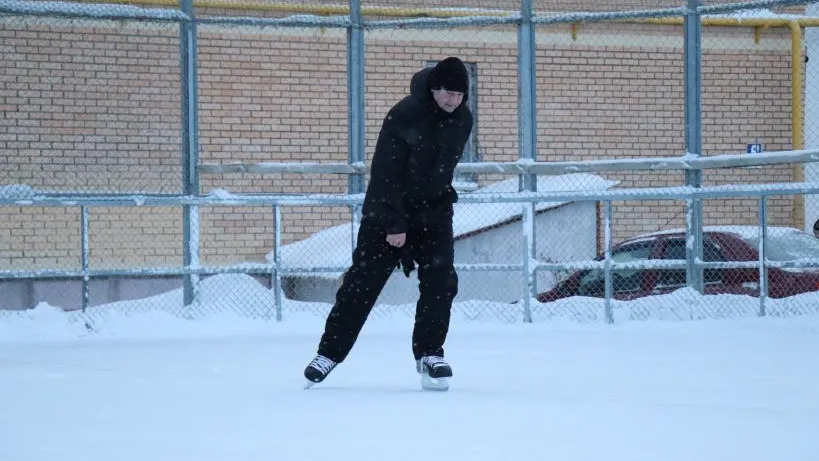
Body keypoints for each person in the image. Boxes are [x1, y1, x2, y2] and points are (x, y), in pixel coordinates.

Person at [303, 57, 473, 390]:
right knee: (361, 286)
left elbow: (441, 170)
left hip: (434, 213)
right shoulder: (404, 115)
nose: (453, 100)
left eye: (459, 94)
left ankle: (429, 354)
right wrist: (395, 224)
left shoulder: (462, 119)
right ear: (434, 89)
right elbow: (385, 173)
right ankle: (328, 354)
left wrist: (430, 213)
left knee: (441, 282)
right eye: (448, 93)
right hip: (387, 213)